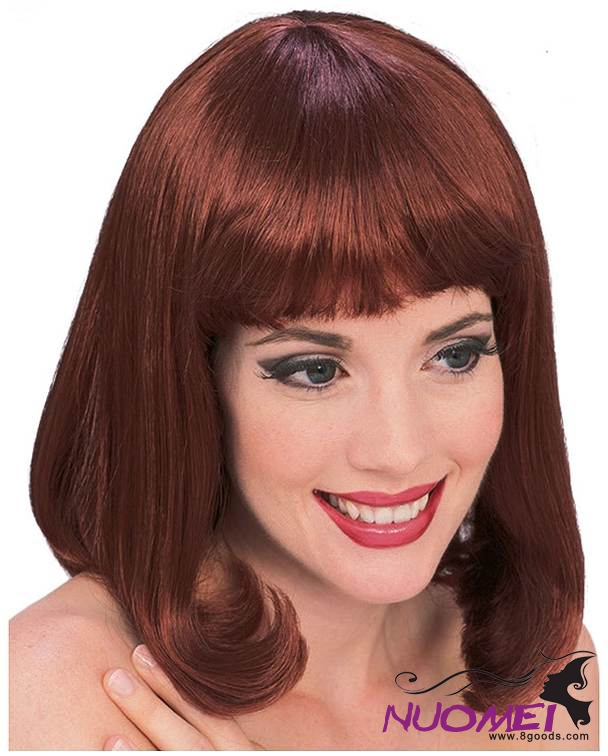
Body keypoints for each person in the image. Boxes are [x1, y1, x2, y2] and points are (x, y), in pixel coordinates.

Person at [9, 9, 598, 751]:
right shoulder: (55, 686)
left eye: (454, 355)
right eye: (316, 370)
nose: (399, 450)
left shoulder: (548, 680)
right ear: (190, 376)